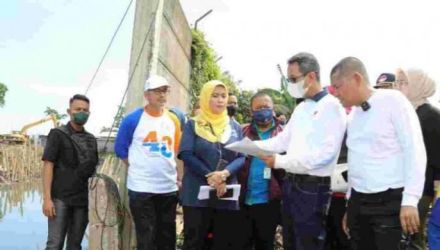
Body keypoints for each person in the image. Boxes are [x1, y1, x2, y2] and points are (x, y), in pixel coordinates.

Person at [330, 57, 426, 250]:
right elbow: (356, 161)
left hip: (389, 202)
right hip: (359, 201)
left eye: (338, 86)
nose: (336, 93)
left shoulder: (393, 101)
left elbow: (414, 150)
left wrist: (410, 200)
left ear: (356, 78)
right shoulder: (354, 114)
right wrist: (350, 204)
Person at [256, 52, 347, 250]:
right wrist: (254, 146)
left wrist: (280, 162)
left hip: (312, 188)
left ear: (311, 76)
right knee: (290, 240)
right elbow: (283, 141)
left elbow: (324, 156)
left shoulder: (332, 106)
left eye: (293, 79)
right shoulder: (302, 108)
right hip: (291, 184)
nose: (290, 84)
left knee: (307, 243)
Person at [114, 75, 182, 250]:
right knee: (146, 238)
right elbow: (120, 149)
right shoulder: (133, 120)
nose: (162, 95)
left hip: (168, 188)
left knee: (167, 237)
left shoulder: (173, 120)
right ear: (147, 94)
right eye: (157, 91)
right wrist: (138, 167)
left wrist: (179, 178)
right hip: (141, 189)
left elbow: (178, 151)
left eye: (165, 90)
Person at [178, 80, 245, 250]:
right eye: (215, 96)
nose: (220, 100)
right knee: (194, 242)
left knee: (222, 242)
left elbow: (241, 157)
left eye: (223, 96)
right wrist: (211, 176)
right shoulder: (193, 124)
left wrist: (223, 175)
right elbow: (186, 153)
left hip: (225, 193)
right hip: (196, 194)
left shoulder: (235, 127)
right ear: (206, 98)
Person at [42, 94, 98, 250]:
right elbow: (48, 165)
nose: (82, 112)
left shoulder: (91, 139)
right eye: (78, 109)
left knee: (75, 245)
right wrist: (47, 198)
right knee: (55, 244)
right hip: (60, 199)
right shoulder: (57, 134)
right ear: (69, 111)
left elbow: (93, 170)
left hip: (83, 201)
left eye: (85, 110)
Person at [394, 68, 440, 250]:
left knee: (413, 236)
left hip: (424, 189)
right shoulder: (407, 113)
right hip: (404, 186)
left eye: (404, 83)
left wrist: (435, 194)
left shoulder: (430, 116)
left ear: (417, 86)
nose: (399, 87)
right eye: (397, 82)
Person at [237, 92, 285, 250]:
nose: (263, 110)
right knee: (241, 243)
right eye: (258, 108)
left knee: (264, 244)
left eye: (266, 107)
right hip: (243, 200)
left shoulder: (284, 134)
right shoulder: (242, 132)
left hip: (269, 201)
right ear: (251, 111)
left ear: (273, 110)